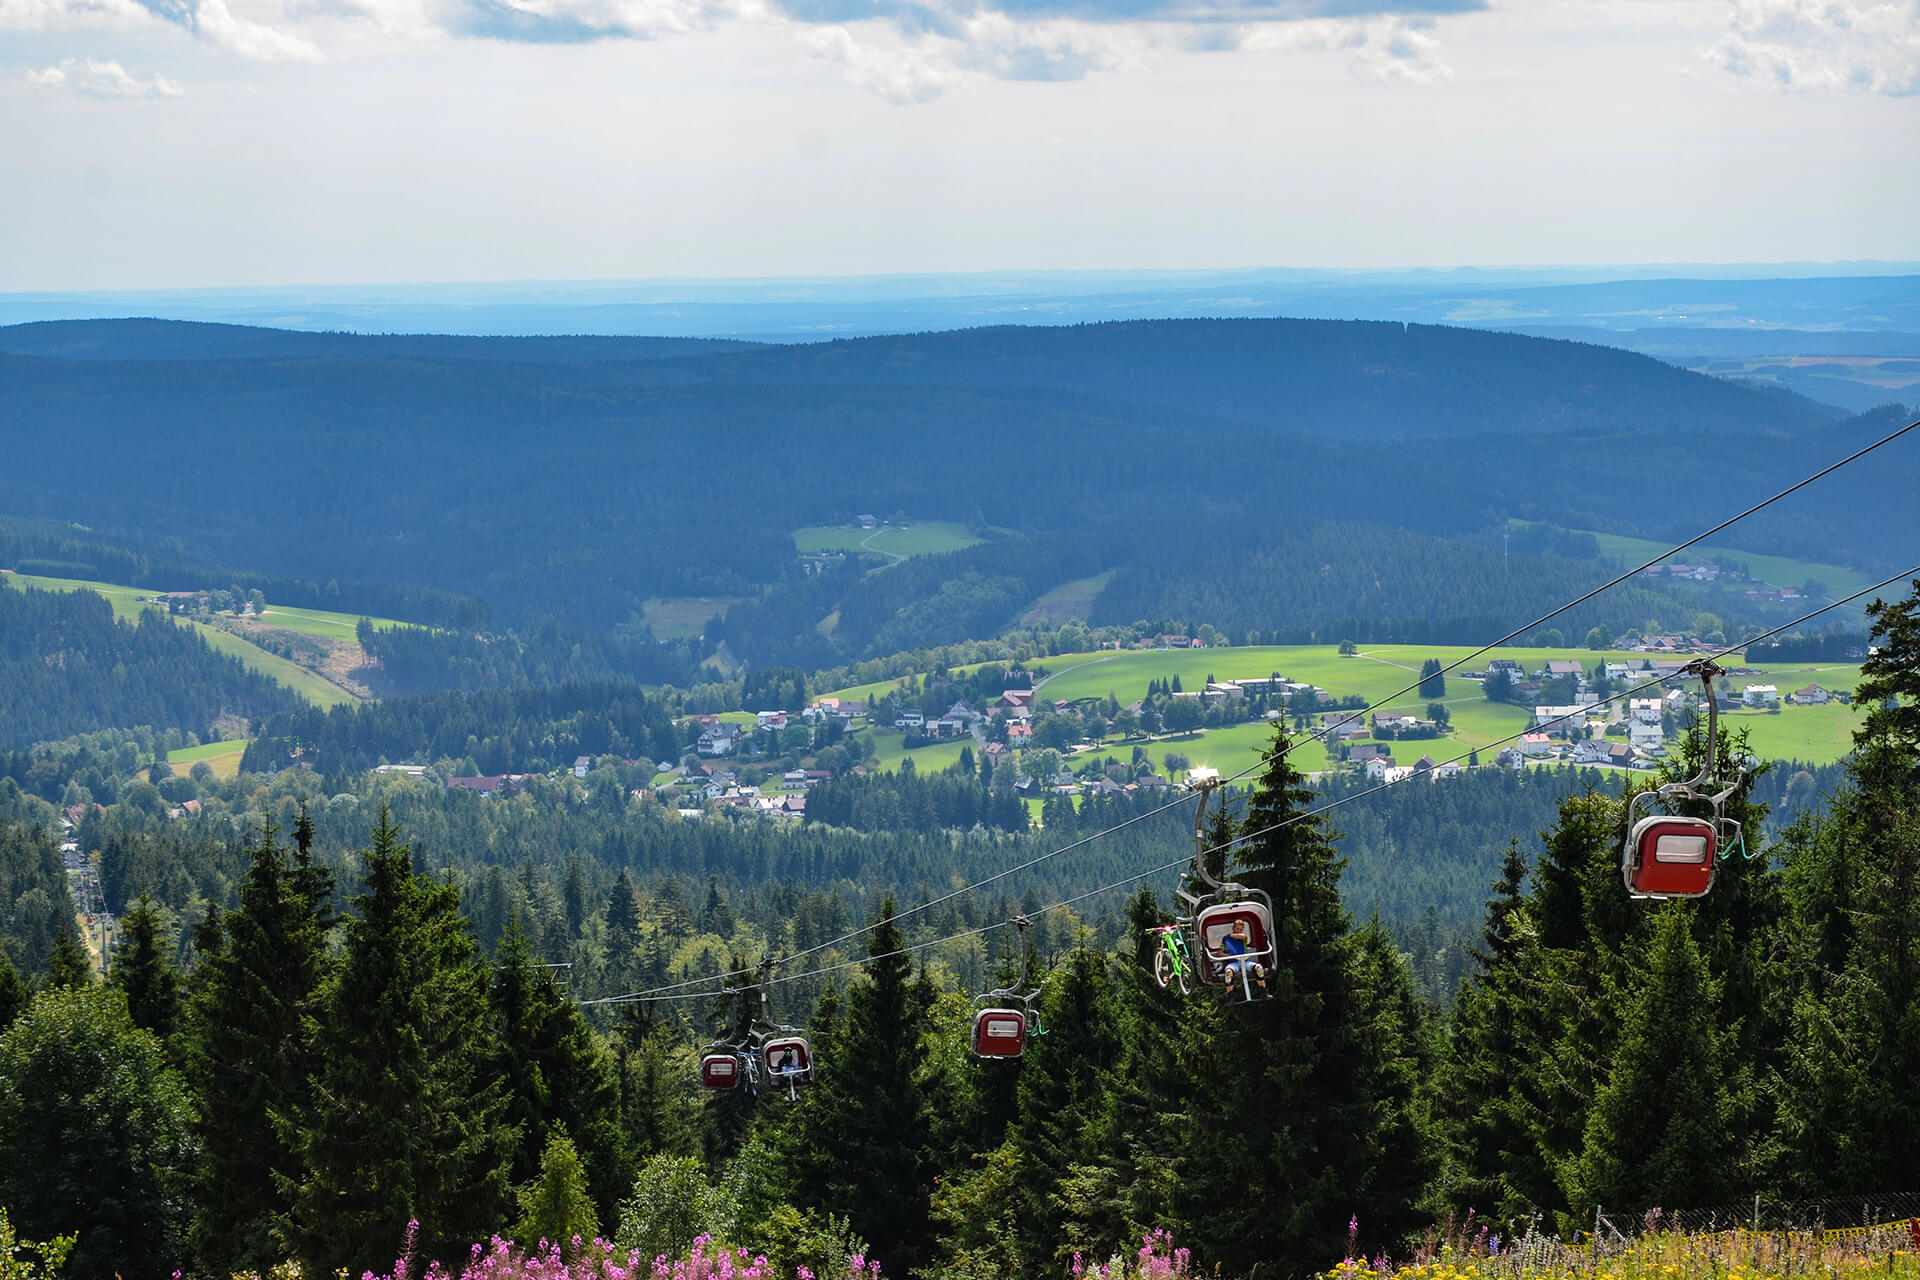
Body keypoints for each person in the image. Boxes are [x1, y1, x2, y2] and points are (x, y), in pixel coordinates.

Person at [1217, 919, 1268, 999]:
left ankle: (1263, 991)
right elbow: (1219, 954)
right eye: (1237, 929)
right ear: (1233, 928)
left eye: (1240, 929)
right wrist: (1229, 955)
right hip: (1233, 963)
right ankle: (1230, 996)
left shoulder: (1243, 938)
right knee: (1228, 973)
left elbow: (1243, 936)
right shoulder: (1226, 940)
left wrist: (1231, 935)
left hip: (1244, 961)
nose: (1239, 931)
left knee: (1258, 968)